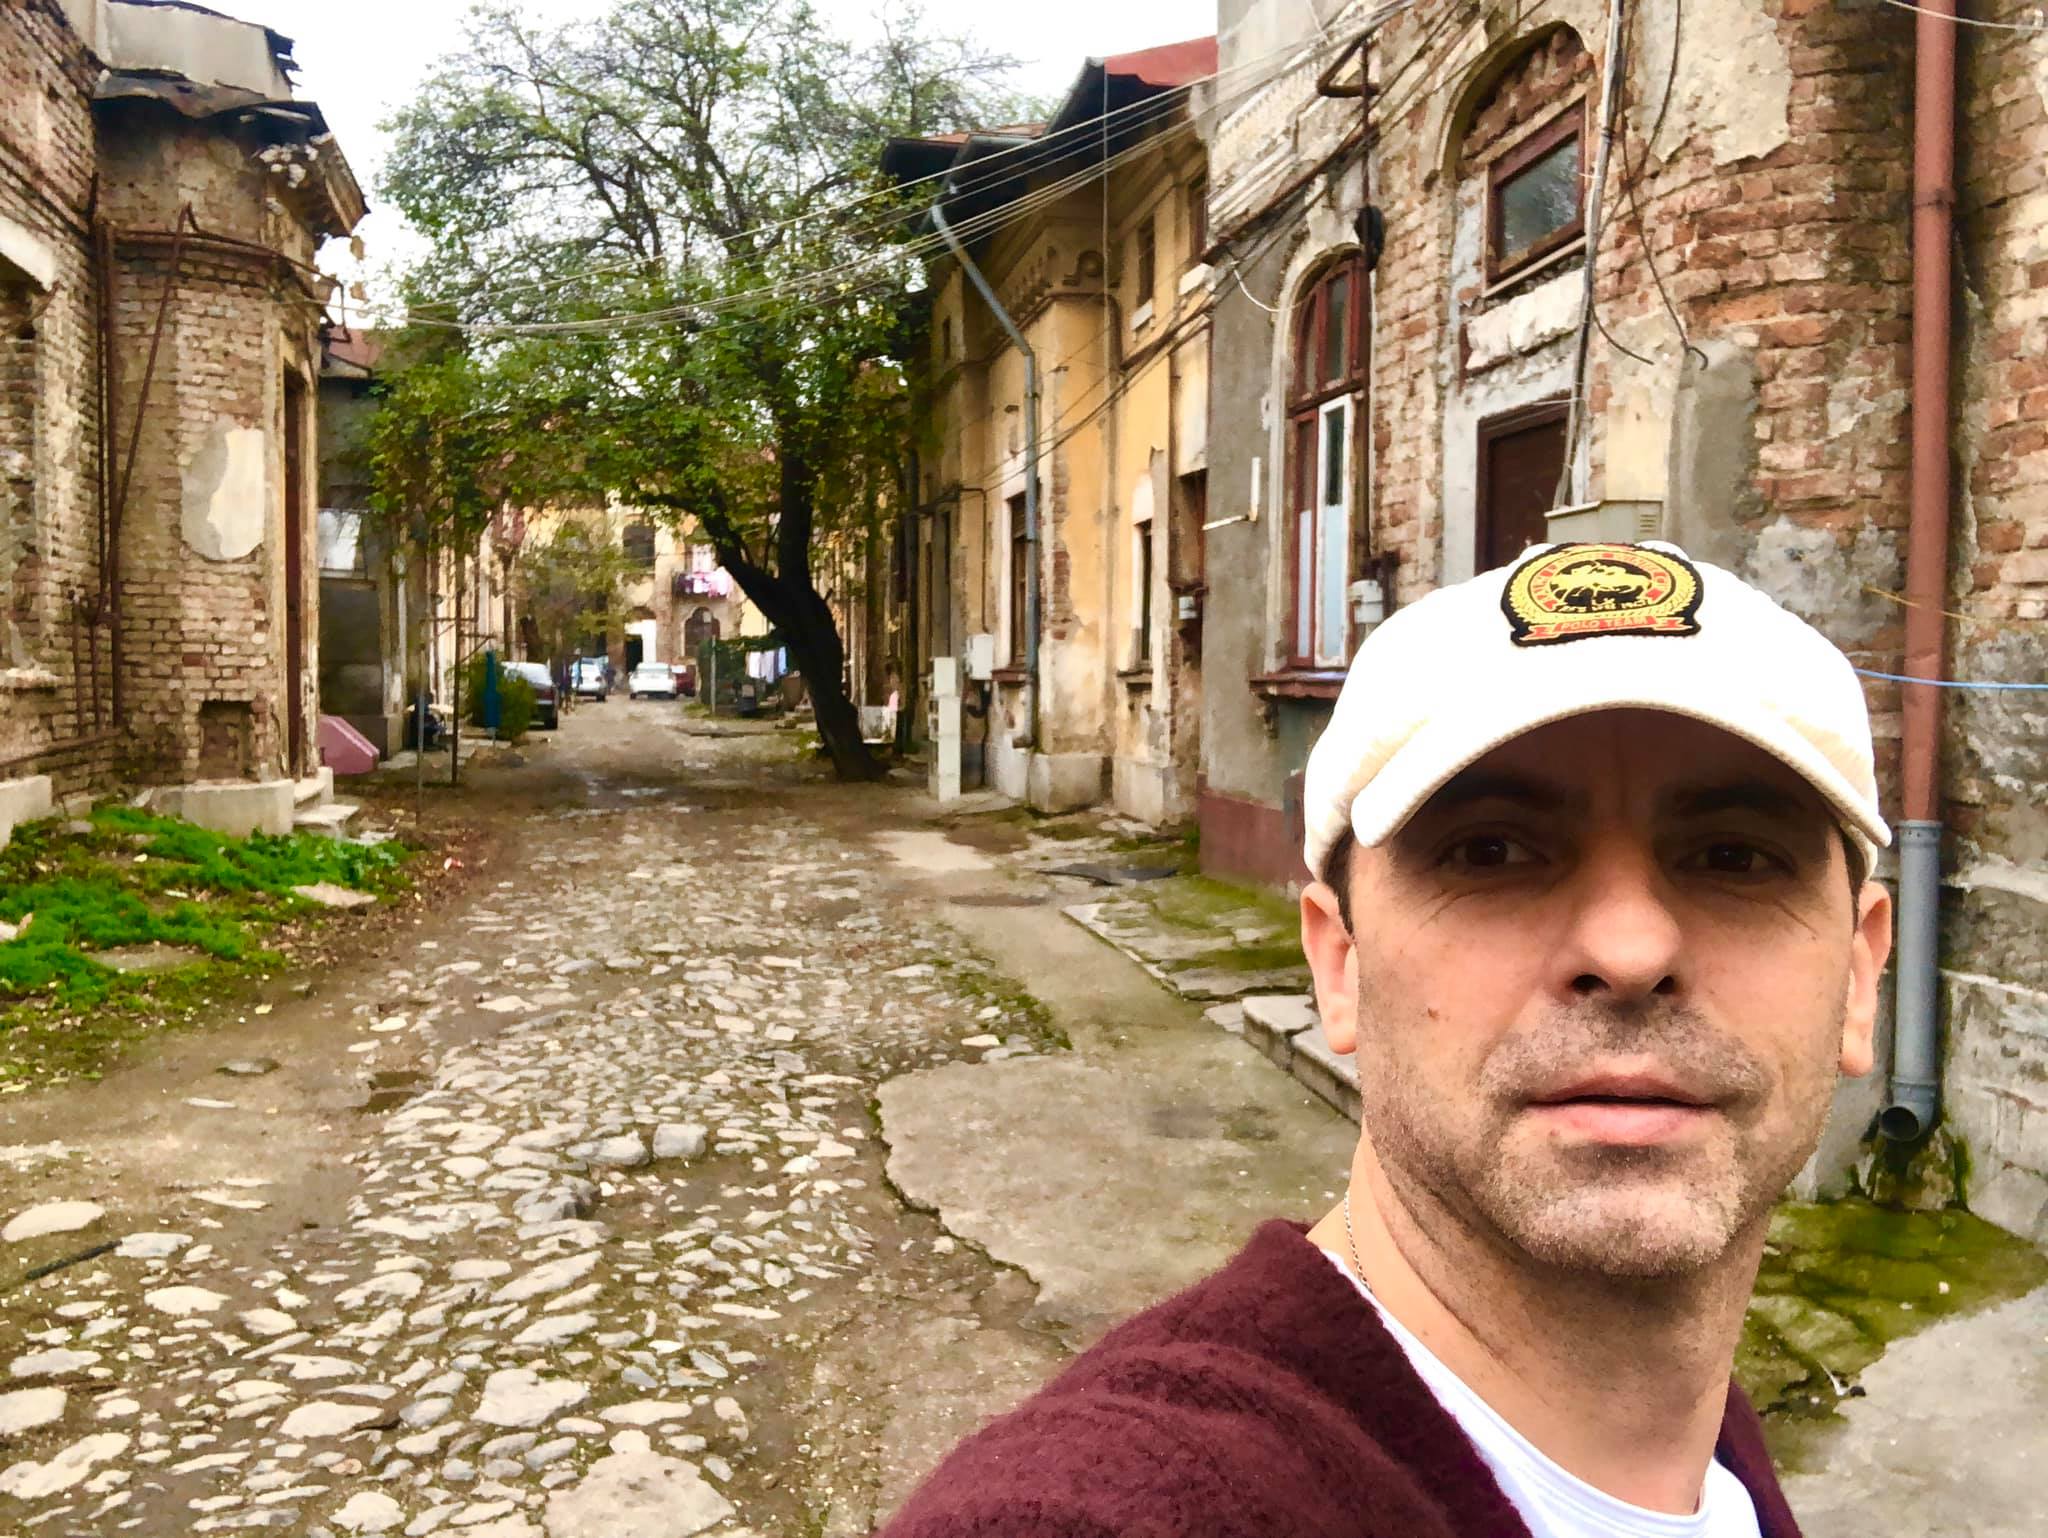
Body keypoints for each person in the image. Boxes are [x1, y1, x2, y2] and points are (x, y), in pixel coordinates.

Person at [879, 541, 1892, 1538]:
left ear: (1857, 977)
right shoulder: (1114, 1505)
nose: (1630, 950)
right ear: (1339, 967)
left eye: (1734, 857)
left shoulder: (1707, 1449)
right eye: (1489, 851)